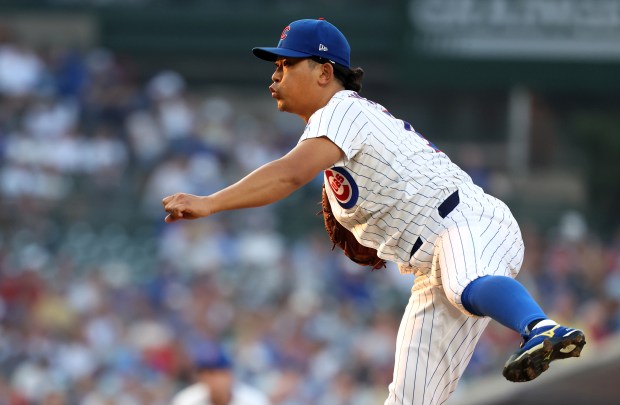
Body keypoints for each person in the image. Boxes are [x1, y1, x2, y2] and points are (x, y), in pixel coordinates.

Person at [163, 18, 586, 404]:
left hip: (467, 222)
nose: (276, 74)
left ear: (325, 72)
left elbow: (287, 175)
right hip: (430, 264)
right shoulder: (332, 146)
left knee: (466, 281)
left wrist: (210, 202)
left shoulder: (343, 108)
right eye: (276, 65)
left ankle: (541, 328)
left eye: (288, 64)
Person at [171, 345, 270, 405]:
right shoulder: (186, 401)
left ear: (229, 374)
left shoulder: (253, 400)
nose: (211, 379)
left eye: (215, 373)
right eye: (205, 373)